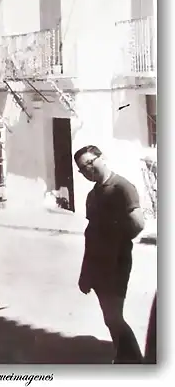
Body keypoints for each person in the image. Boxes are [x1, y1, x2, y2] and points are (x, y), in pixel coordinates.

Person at [74, 145, 145, 364]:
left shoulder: (122, 187)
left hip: (117, 261)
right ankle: (123, 355)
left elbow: (138, 224)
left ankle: (134, 360)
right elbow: (90, 235)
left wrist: (115, 238)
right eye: (82, 168)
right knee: (109, 316)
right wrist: (85, 273)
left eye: (89, 163)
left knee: (114, 315)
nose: (87, 170)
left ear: (101, 158)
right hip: (97, 263)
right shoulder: (92, 195)